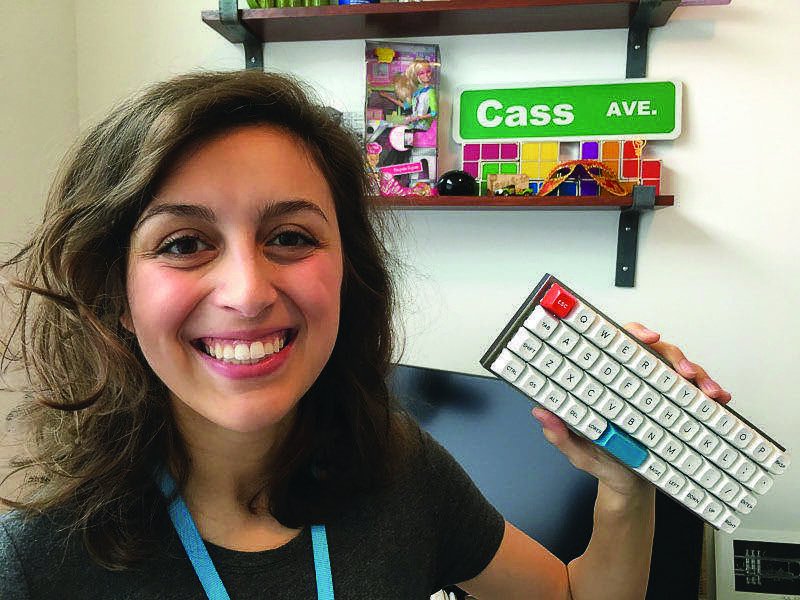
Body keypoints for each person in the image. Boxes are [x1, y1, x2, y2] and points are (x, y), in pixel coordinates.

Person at [0, 70, 731, 599]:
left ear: (347, 269)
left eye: (290, 235)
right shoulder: (33, 564)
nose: (249, 293)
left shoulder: (394, 463)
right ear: (116, 295)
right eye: (185, 243)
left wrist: (625, 486)